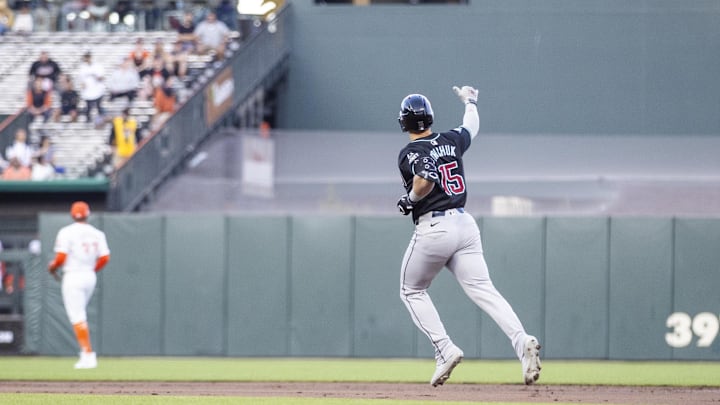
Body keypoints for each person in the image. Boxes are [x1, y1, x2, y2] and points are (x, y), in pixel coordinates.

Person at [395, 86, 542, 387]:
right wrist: (470, 101)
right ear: (430, 117)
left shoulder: (411, 151)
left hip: (434, 227)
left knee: (411, 290)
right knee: (484, 290)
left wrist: (410, 198)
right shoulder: (450, 139)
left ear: (404, 123)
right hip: (464, 224)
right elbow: (471, 126)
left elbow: (425, 179)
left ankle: (444, 349)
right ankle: (521, 341)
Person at [48, 201, 110, 369]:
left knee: (77, 316)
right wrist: (91, 270)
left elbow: (60, 258)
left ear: (72, 214)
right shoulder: (97, 233)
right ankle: (87, 354)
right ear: (87, 214)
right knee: (80, 315)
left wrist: (52, 266)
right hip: (89, 275)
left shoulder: (66, 232)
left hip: (73, 274)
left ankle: (88, 355)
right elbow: (105, 258)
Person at [76, 51, 106, 125]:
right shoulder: (82, 67)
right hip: (87, 92)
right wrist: (82, 85)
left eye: (88, 57)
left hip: (98, 90)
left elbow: (102, 77)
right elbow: (80, 80)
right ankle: (88, 122)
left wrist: (97, 78)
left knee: (99, 107)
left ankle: (100, 123)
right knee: (88, 108)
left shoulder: (97, 66)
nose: (87, 59)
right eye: (86, 57)